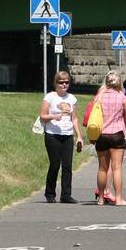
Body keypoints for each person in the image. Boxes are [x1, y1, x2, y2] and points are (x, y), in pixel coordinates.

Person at [86, 71, 126, 205]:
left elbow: (92, 115)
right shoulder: (122, 97)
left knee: (102, 168)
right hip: (117, 133)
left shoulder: (99, 97)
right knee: (116, 167)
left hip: (101, 135)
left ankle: (101, 198)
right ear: (118, 82)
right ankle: (118, 198)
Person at [37, 70, 82, 204]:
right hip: (52, 135)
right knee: (55, 164)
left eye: (66, 82)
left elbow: (74, 119)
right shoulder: (50, 97)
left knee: (67, 166)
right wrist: (53, 116)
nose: (64, 85)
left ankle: (66, 195)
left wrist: (79, 136)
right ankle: (50, 193)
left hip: (67, 135)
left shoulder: (72, 98)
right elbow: (42, 115)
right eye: (61, 82)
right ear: (56, 83)